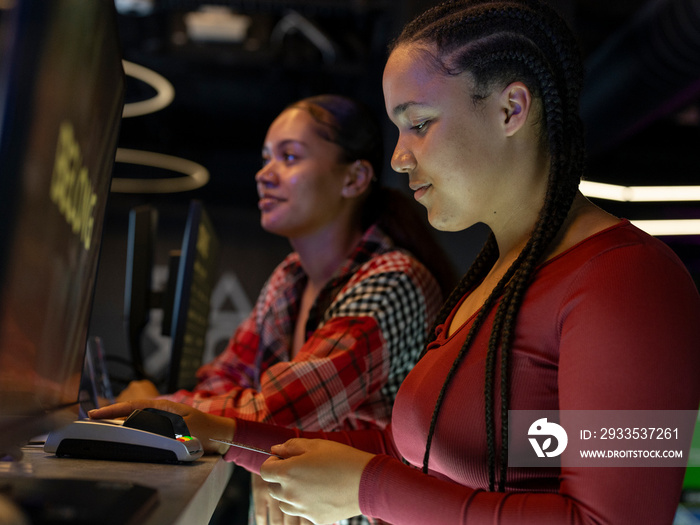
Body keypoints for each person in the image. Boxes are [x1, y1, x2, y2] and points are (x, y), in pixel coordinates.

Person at [92, 1, 700, 524]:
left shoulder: (627, 281)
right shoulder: (492, 280)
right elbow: (415, 449)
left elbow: (609, 520)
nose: (401, 158)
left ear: (512, 109)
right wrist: (212, 431)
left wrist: (367, 487)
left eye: (419, 124)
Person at [117, 93, 455, 525]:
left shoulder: (393, 282)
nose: (264, 175)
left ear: (354, 179)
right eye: (264, 159)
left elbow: (281, 414)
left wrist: (158, 407)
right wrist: (168, 408)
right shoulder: (292, 276)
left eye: (289, 157)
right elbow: (224, 378)